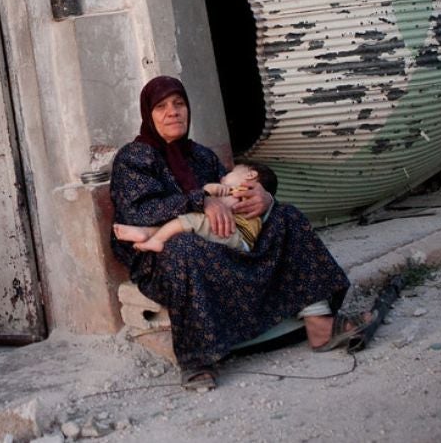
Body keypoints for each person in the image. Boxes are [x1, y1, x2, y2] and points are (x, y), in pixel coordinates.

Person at [109, 76, 365, 391]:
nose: (172, 112)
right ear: (148, 114)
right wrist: (201, 200)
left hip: (224, 240)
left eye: (179, 104)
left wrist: (263, 198)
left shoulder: (202, 156)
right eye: (161, 107)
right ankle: (197, 359)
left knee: (287, 216)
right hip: (163, 255)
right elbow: (137, 212)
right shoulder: (134, 158)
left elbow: (234, 191)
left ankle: (319, 324)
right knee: (184, 247)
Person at [112, 162, 273, 252]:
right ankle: (148, 232)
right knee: (187, 224)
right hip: (228, 235)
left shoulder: (246, 191)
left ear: (250, 175)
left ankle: (156, 239)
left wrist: (210, 193)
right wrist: (205, 195)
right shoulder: (136, 157)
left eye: (230, 172)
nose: (223, 176)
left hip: (234, 235)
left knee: (192, 220)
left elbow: (226, 206)